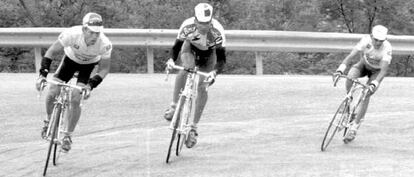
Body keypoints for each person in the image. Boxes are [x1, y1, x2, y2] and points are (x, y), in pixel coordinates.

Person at [35, 12, 112, 152]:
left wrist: (90, 85)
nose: (95, 36)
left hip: (88, 67)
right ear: (84, 29)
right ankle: (48, 120)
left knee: (76, 97)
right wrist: (42, 75)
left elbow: (104, 69)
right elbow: (51, 52)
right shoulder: (72, 34)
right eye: (92, 32)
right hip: (69, 62)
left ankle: (67, 136)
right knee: (53, 90)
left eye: (98, 33)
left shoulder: (105, 44)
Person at [164, 3, 227, 148]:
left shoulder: (217, 31)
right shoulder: (187, 27)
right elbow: (176, 47)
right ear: (195, 20)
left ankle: (193, 128)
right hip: (190, 50)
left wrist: (214, 73)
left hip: (209, 56)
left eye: (207, 23)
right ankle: (174, 106)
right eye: (201, 23)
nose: (204, 27)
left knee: (203, 87)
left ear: (211, 21)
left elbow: (222, 59)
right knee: (186, 68)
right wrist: (171, 60)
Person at [334, 25, 392, 143]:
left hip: (376, 72)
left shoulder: (387, 48)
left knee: (366, 94)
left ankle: (354, 127)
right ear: (371, 37)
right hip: (363, 66)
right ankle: (347, 105)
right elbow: (351, 56)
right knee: (350, 77)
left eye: (381, 41)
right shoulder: (365, 40)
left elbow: (383, 70)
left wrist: (375, 84)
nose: (378, 43)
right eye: (376, 40)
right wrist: (340, 69)